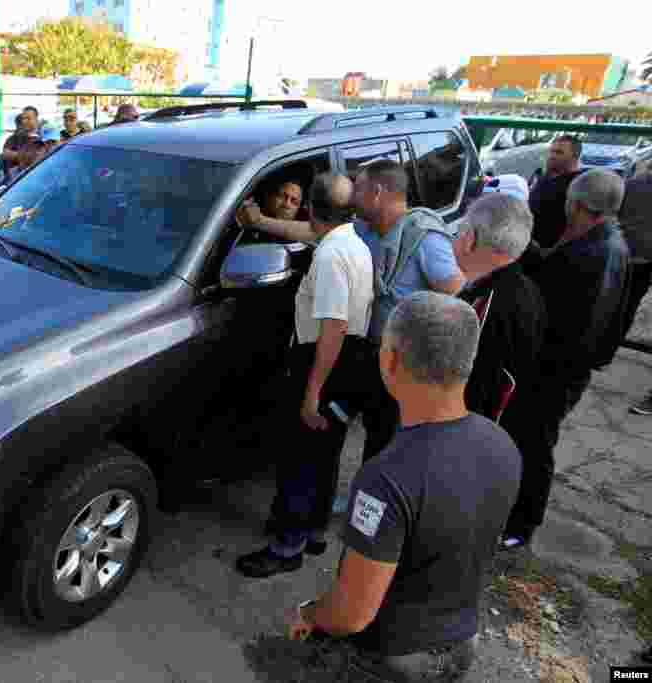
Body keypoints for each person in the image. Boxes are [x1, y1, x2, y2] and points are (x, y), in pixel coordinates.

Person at [286, 292, 521, 683]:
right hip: (462, 642)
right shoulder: (501, 444)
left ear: (390, 360)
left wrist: (309, 613)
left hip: (390, 660)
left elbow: (351, 615)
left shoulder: (386, 479)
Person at [234, 174, 374, 577]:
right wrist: (260, 220)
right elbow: (302, 231)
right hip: (349, 363)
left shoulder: (330, 256)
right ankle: (312, 532)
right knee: (324, 454)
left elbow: (333, 326)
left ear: (312, 210)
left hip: (324, 360)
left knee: (300, 461)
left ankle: (285, 548)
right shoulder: (352, 242)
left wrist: (312, 391)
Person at [500, 169, 630, 548]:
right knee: (532, 440)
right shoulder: (609, 243)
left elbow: (557, 306)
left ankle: (520, 525)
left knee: (533, 443)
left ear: (579, 206)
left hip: (554, 371)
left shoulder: (590, 253)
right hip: (568, 369)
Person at [353, 159, 466, 463]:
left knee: (398, 443)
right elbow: (317, 231)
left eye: (358, 188)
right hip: (379, 355)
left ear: (376, 192)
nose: (353, 195)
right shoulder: (366, 229)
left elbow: (458, 297)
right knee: (377, 431)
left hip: (409, 363)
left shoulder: (425, 239)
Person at [454, 192, 546, 425]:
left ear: (469, 239)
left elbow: (472, 388)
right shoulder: (527, 288)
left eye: (457, 232)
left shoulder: (483, 307)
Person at [618, 166, 652, 415]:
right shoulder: (635, 186)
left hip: (636, 256)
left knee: (625, 303)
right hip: (638, 257)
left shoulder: (633, 185)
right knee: (625, 303)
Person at [527, 135, 584, 251]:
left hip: (548, 250)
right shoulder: (545, 177)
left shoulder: (576, 185)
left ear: (575, 157)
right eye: (551, 151)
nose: (552, 156)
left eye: (559, 152)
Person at [2, 106, 41, 180]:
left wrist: (17, 155)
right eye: (23, 118)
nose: (24, 121)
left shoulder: (44, 137)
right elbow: (5, 154)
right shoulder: (14, 138)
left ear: (36, 120)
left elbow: (40, 158)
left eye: (28, 118)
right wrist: (27, 156)